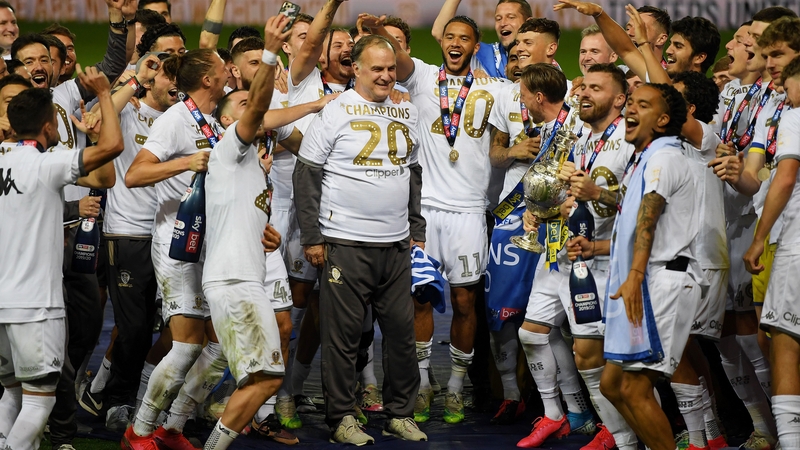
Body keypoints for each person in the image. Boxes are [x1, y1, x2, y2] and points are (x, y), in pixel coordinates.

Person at [365, 13, 510, 424]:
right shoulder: (424, 77)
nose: (456, 43)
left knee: (466, 302)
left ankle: (456, 387)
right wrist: (376, 32)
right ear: (441, 41)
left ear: (475, 45)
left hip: (468, 212)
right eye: (450, 36)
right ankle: (425, 384)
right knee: (420, 298)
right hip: (425, 213)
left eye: (465, 38)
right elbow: (393, 54)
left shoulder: (494, 89)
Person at [293, 34, 427, 445]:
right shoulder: (334, 113)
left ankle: (399, 414)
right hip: (346, 244)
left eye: (391, 68)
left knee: (402, 337)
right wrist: (313, 237)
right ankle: (341, 418)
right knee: (343, 338)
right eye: (377, 69)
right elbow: (307, 174)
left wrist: (416, 231)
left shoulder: (407, 111)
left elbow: (414, 175)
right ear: (356, 69)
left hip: (396, 245)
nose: (387, 76)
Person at [0, 64, 123, 450]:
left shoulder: (3, 157)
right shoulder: (45, 164)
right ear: (50, 127)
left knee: (11, 393)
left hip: (1, 304)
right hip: (36, 306)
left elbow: (104, 179)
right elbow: (113, 149)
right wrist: (104, 96)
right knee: (40, 401)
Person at [122, 47, 228, 450]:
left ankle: (173, 427)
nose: (228, 71)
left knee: (217, 347)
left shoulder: (212, 122)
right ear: (207, 79)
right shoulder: (175, 120)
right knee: (185, 346)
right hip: (178, 243)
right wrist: (184, 164)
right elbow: (135, 175)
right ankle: (140, 430)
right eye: (222, 68)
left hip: (210, 244)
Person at [199, 15, 294, 450]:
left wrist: (268, 236)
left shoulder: (254, 165)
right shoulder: (228, 148)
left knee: (259, 377)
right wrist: (272, 53)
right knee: (267, 377)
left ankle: (179, 424)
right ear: (224, 121)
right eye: (237, 106)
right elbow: (257, 107)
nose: (249, 110)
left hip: (243, 276)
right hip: (236, 282)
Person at [597, 83, 701, 450]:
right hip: (642, 279)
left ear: (661, 120)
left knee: (634, 388)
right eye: (631, 102)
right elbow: (631, 215)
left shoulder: (664, 157)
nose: (630, 109)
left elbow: (649, 215)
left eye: (643, 105)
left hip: (661, 279)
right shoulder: (645, 157)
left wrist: (636, 275)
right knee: (611, 384)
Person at [556, 63, 639, 450]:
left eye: (596, 88)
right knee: (585, 353)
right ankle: (620, 439)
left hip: (625, 264)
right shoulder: (582, 137)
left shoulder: (632, 137)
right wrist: (567, 203)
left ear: (620, 99)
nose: (584, 93)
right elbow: (579, 196)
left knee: (631, 369)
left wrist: (595, 194)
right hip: (586, 263)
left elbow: (644, 207)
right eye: (583, 86)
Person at [743, 54, 800, 450]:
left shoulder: (796, 116)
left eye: (788, 85)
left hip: (796, 244)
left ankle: (791, 442)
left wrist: (760, 236)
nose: (782, 92)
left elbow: (785, 176)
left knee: (784, 341)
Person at [432, 0, 532, 78]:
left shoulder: (541, 54)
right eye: (498, 19)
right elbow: (439, 32)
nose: (503, 23)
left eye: (511, 17)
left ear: (528, 22)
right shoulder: (482, 52)